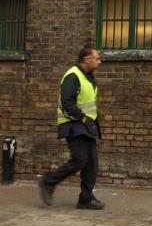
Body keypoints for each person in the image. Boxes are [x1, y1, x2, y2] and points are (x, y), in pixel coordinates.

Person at [38, 47, 104, 210]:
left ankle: (86, 199)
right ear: (87, 59)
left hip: (87, 124)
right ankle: (48, 181)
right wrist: (81, 117)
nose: (99, 61)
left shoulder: (88, 77)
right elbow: (67, 103)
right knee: (80, 159)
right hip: (73, 124)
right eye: (97, 58)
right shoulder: (73, 76)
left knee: (91, 164)